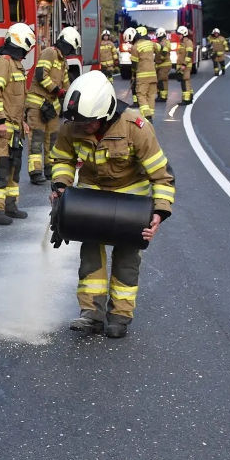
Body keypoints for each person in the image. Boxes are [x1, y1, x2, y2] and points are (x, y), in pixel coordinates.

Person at [48, 71, 175, 339]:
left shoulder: (135, 128)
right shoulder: (73, 125)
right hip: (92, 198)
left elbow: (162, 176)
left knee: (127, 260)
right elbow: (62, 159)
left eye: (88, 123)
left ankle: (119, 316)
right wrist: (60, 185)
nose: (82, 128)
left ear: (105, 113)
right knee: (90, 256)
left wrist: (159, 212)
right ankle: (91, 315)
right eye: (78, 123)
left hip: (131, 203)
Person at [0, 22, 35, 225]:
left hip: (14, 129)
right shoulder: (3, 63)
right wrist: (1, 122)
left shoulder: (16, 65)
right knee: (0, 167)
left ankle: (10, 206)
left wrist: (22, 122)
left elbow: (15, 100)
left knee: (14, 166)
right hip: (0, 129)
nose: (28, 50)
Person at [25, 33, 66, 185]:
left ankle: (50, 169)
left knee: (53, 139)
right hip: (37, 104)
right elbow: (41, 75)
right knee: (36, 138)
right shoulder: (50, 52)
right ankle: (35, 172)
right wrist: (57, 90)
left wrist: (69, 96)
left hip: (52, 107)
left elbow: (66, 83)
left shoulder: (63, 61)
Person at [130, 26, 160, 121]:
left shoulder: (135, 47)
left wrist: (133, 75)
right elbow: (161, 48)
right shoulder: (151, 43)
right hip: (153, 75)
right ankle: (150, 116)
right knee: (151, 95)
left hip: (142, 76)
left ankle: (147, 116)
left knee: (141, 95)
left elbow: (134, 64)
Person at [174, 25, 195, 104]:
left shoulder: (188, 42)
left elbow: (189, 54)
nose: (178, 36)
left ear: (183, 34)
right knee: (186, 81)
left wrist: (184, 64)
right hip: (182, 65)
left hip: (185, 66)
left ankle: (186, 100)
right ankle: (189, 97)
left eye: (179, 34)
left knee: (185, 81)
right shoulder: (182, 43)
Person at [154, 28, 172, 105]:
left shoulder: (166, 42)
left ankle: (163, 97)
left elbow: (164, 53)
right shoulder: (160, 42)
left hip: (164, 64)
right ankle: (159, 95)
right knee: (158, 80)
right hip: (159, 64)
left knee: (162, 79)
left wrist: (159, 59)